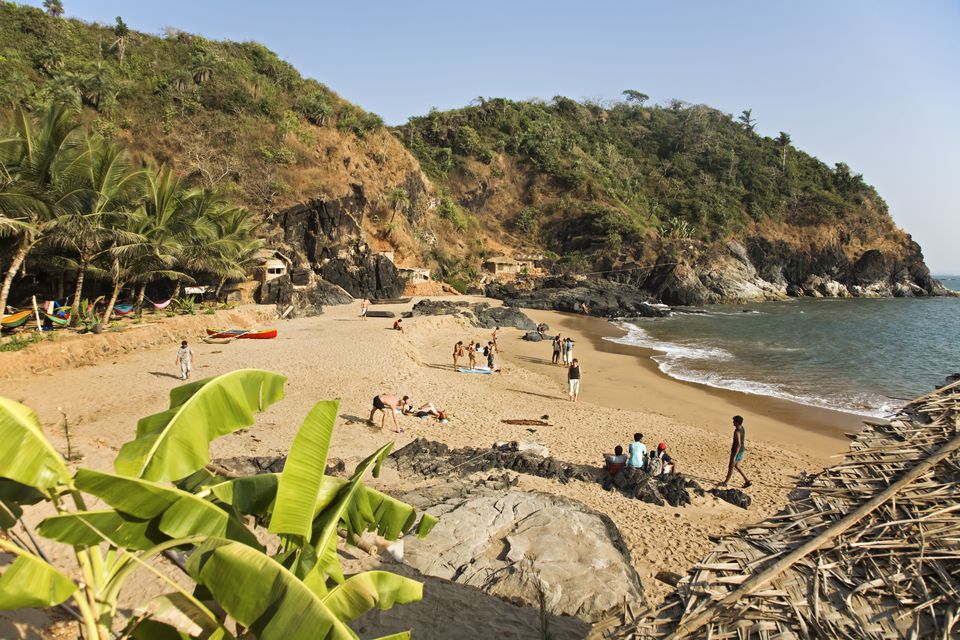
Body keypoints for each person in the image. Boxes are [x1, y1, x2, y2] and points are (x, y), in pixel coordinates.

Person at [719, 415, 752, 488]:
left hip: (737, 451)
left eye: (734, 421)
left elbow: (738, 444)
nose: (733, 422)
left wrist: (735, 455)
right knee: (736, 466)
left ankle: (725, 482)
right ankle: (747, 480)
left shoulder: (737, 431)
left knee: (731, 466)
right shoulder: (742, 428)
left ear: (737, 422)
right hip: (742, 450)